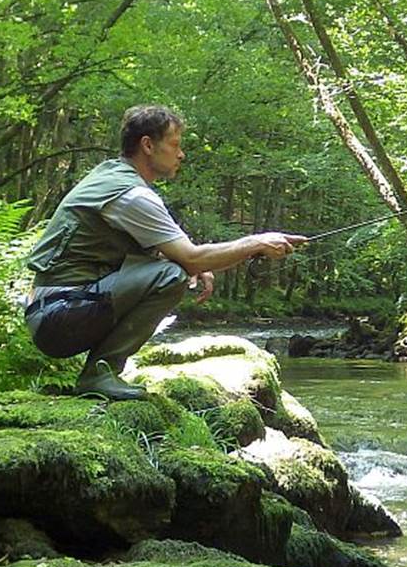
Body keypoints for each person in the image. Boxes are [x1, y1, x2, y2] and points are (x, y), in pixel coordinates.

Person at [24, 104, 305, 400]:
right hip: (59, 315)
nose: (181, 154)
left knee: (173, 268)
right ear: (147, 145)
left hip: (53, 310)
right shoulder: (130, 195)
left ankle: (102, 373)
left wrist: (194, 263)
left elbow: (167, 255)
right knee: (172, 275)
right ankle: (99, 375)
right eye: (175, 144)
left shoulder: (110, 176)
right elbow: (191, 258)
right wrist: (257, 243)